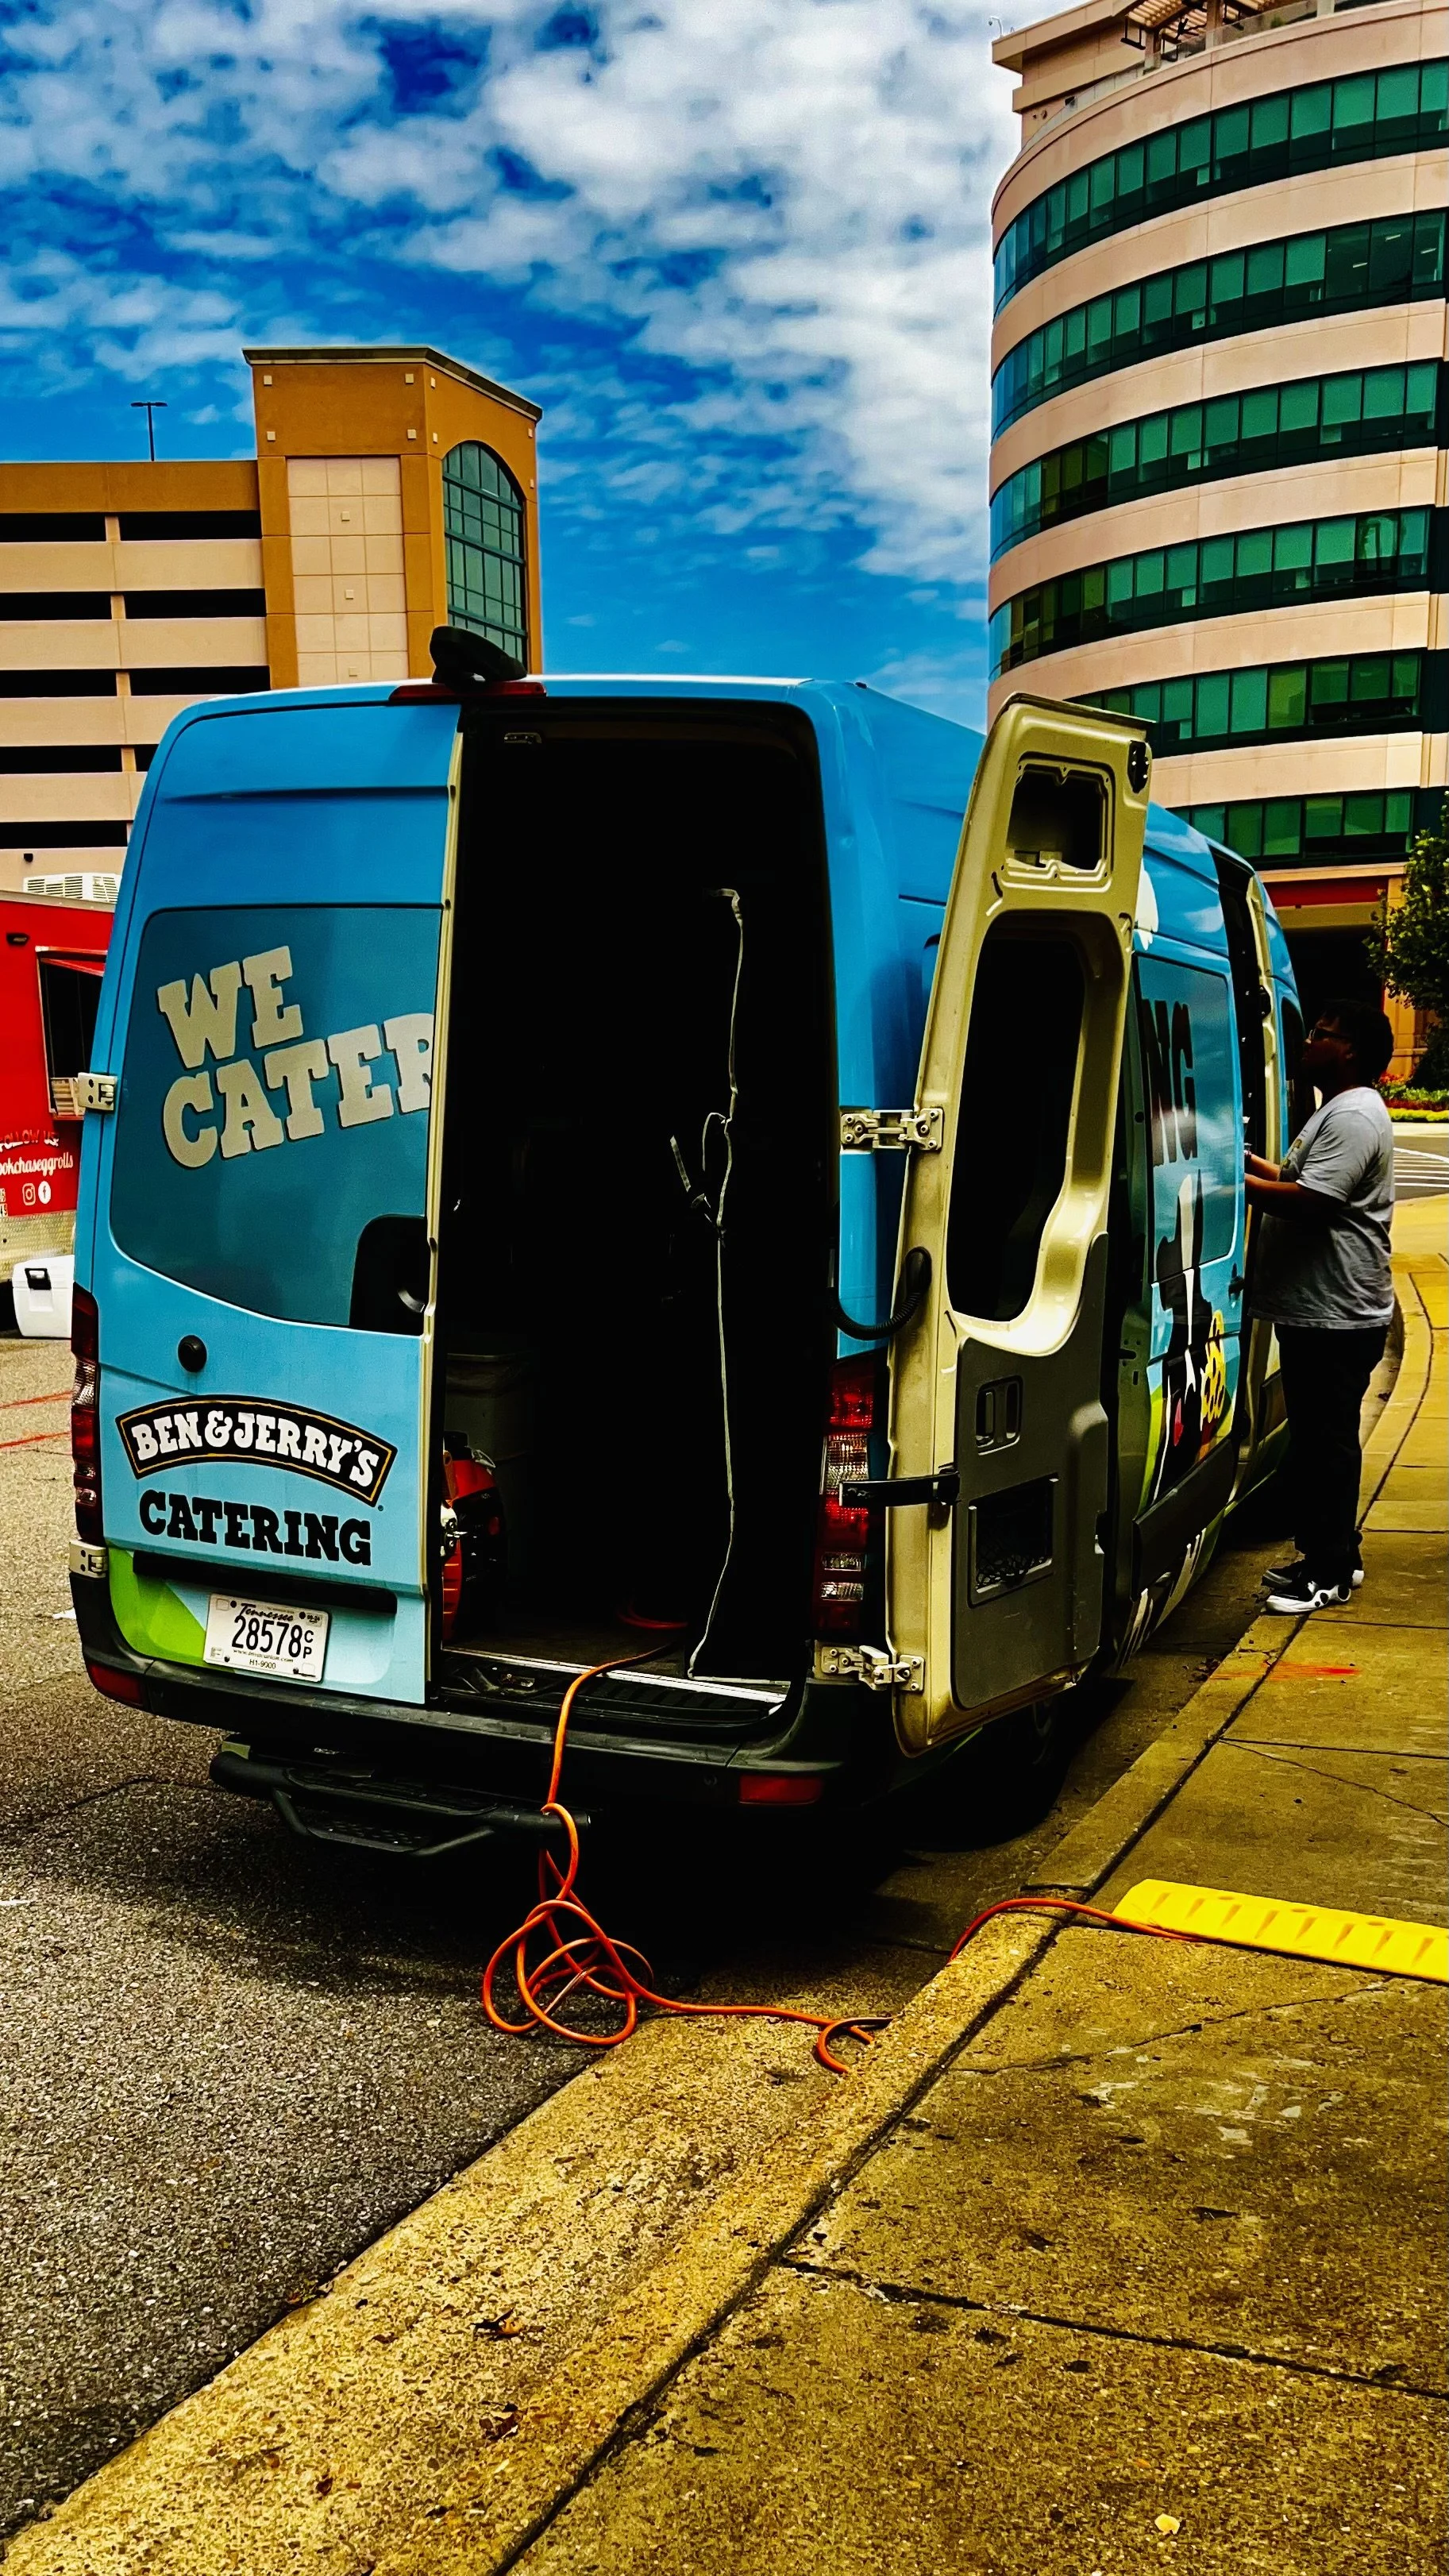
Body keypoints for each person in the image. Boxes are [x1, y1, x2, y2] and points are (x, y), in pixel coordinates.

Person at [1246, 995, 1397, 1614]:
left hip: (1335, 1314)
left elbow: (1313, 1200)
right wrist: (1247, 1164)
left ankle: (1326, 1573)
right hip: (1325, 1310)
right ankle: (1338, 1553)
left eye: (1321, 1034)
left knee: (1324, 1446)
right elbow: (1292, 1176)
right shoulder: (1337, 1109)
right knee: (1322, 1442)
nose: (1307, 1042)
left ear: (1350, 1051)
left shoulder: (1355, 1114)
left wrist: (1233, 1185)